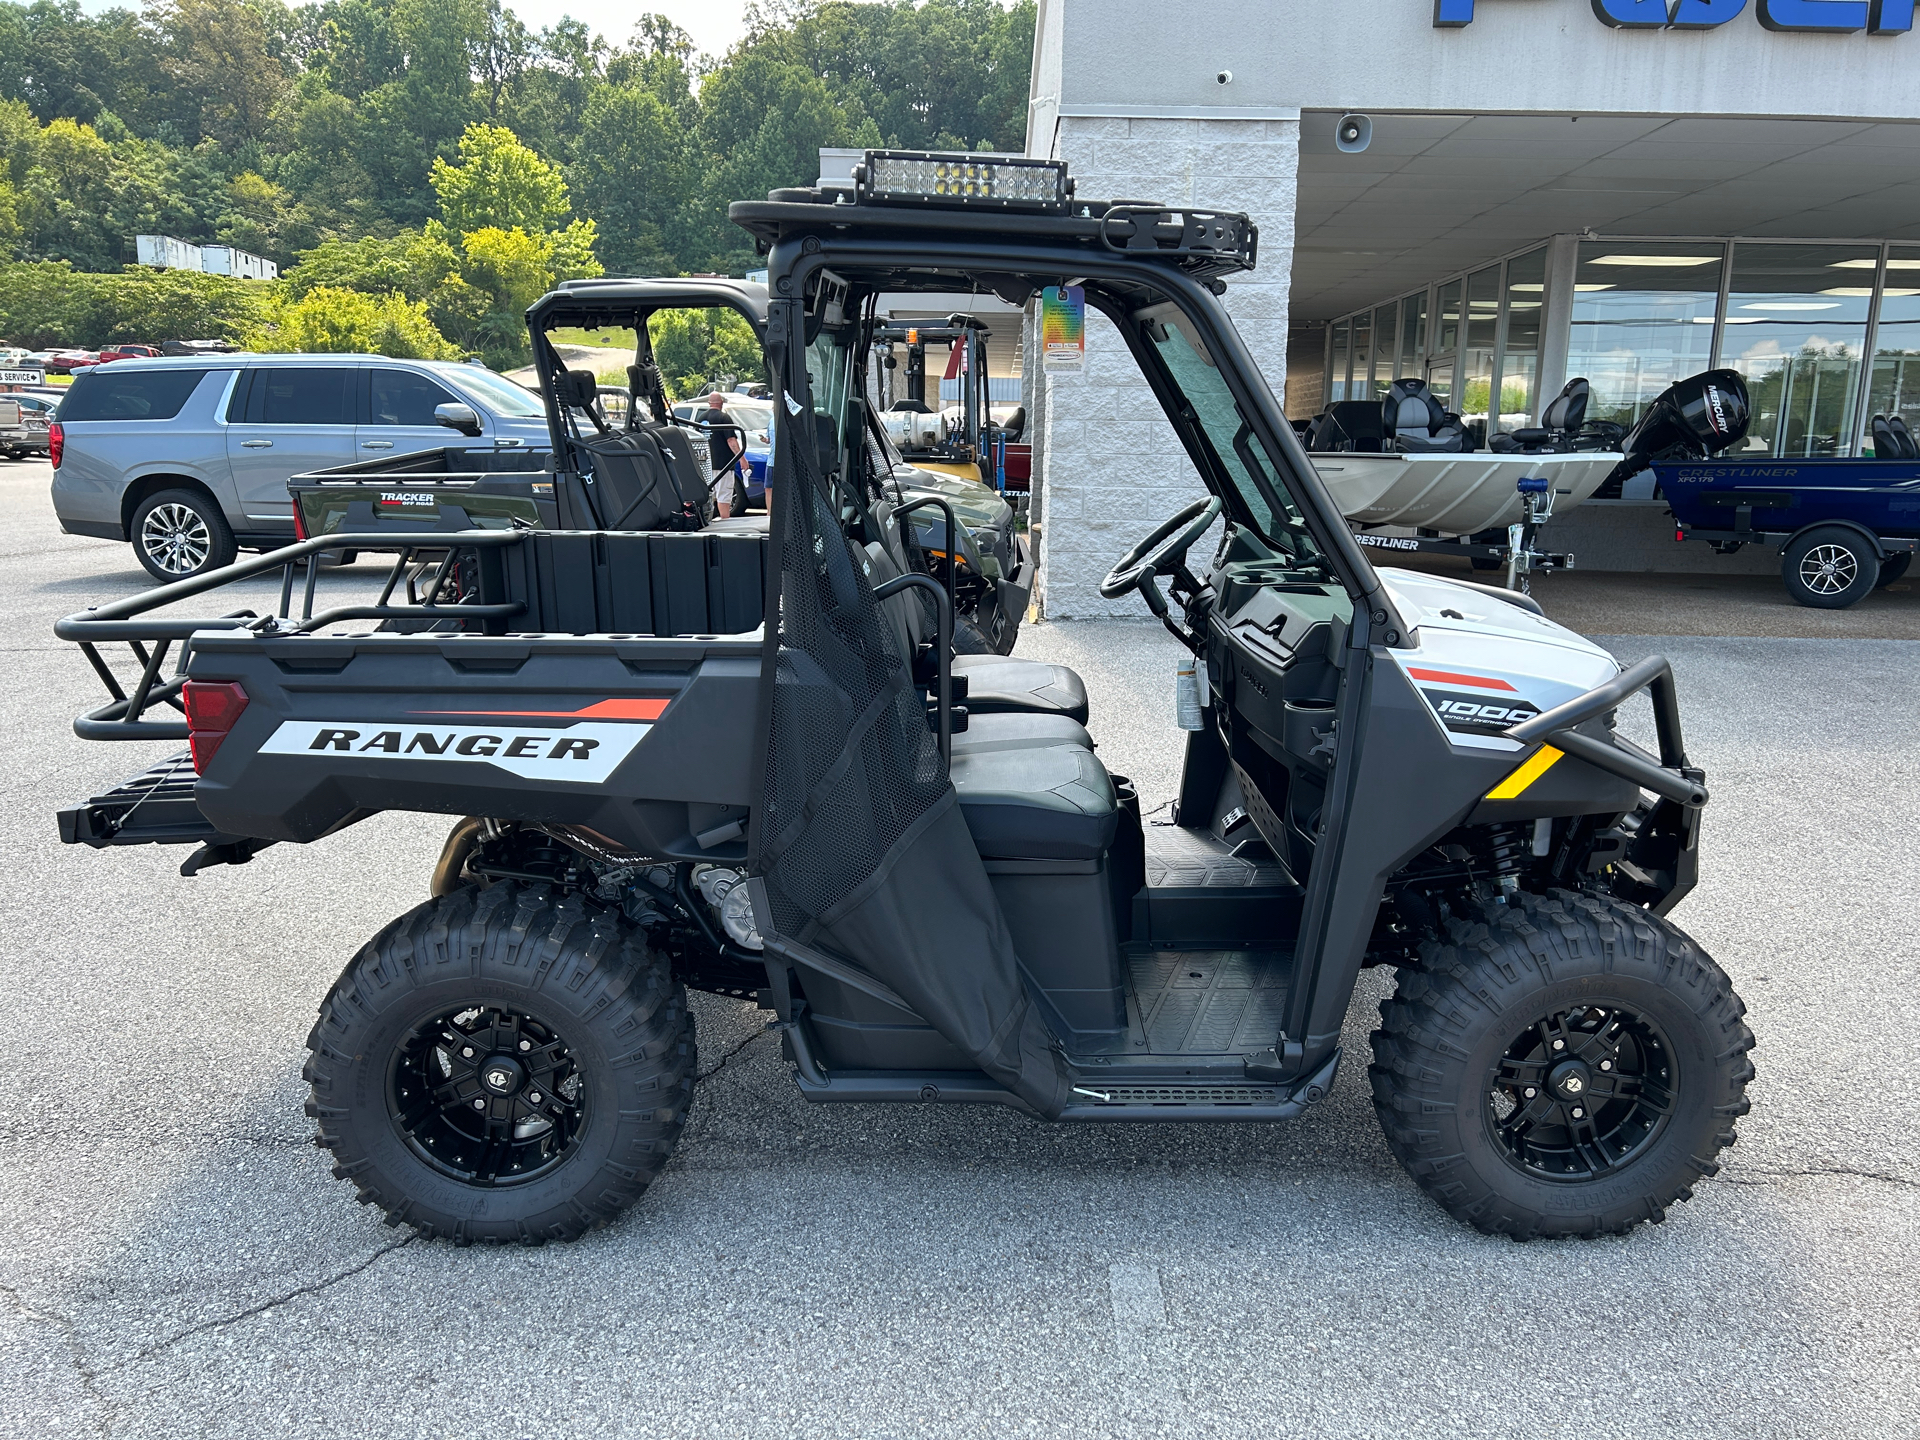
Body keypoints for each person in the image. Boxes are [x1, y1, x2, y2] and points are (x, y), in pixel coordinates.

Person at [704, 393, 748, 517]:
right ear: (721, 402)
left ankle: (709, 520)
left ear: (709, 403)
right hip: (723, 464)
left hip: (706, 464)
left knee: (709, 495)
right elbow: (731, 440)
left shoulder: (701, 418)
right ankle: (725, 521)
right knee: (724, 494)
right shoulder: (724, 418)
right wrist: (742, 458)